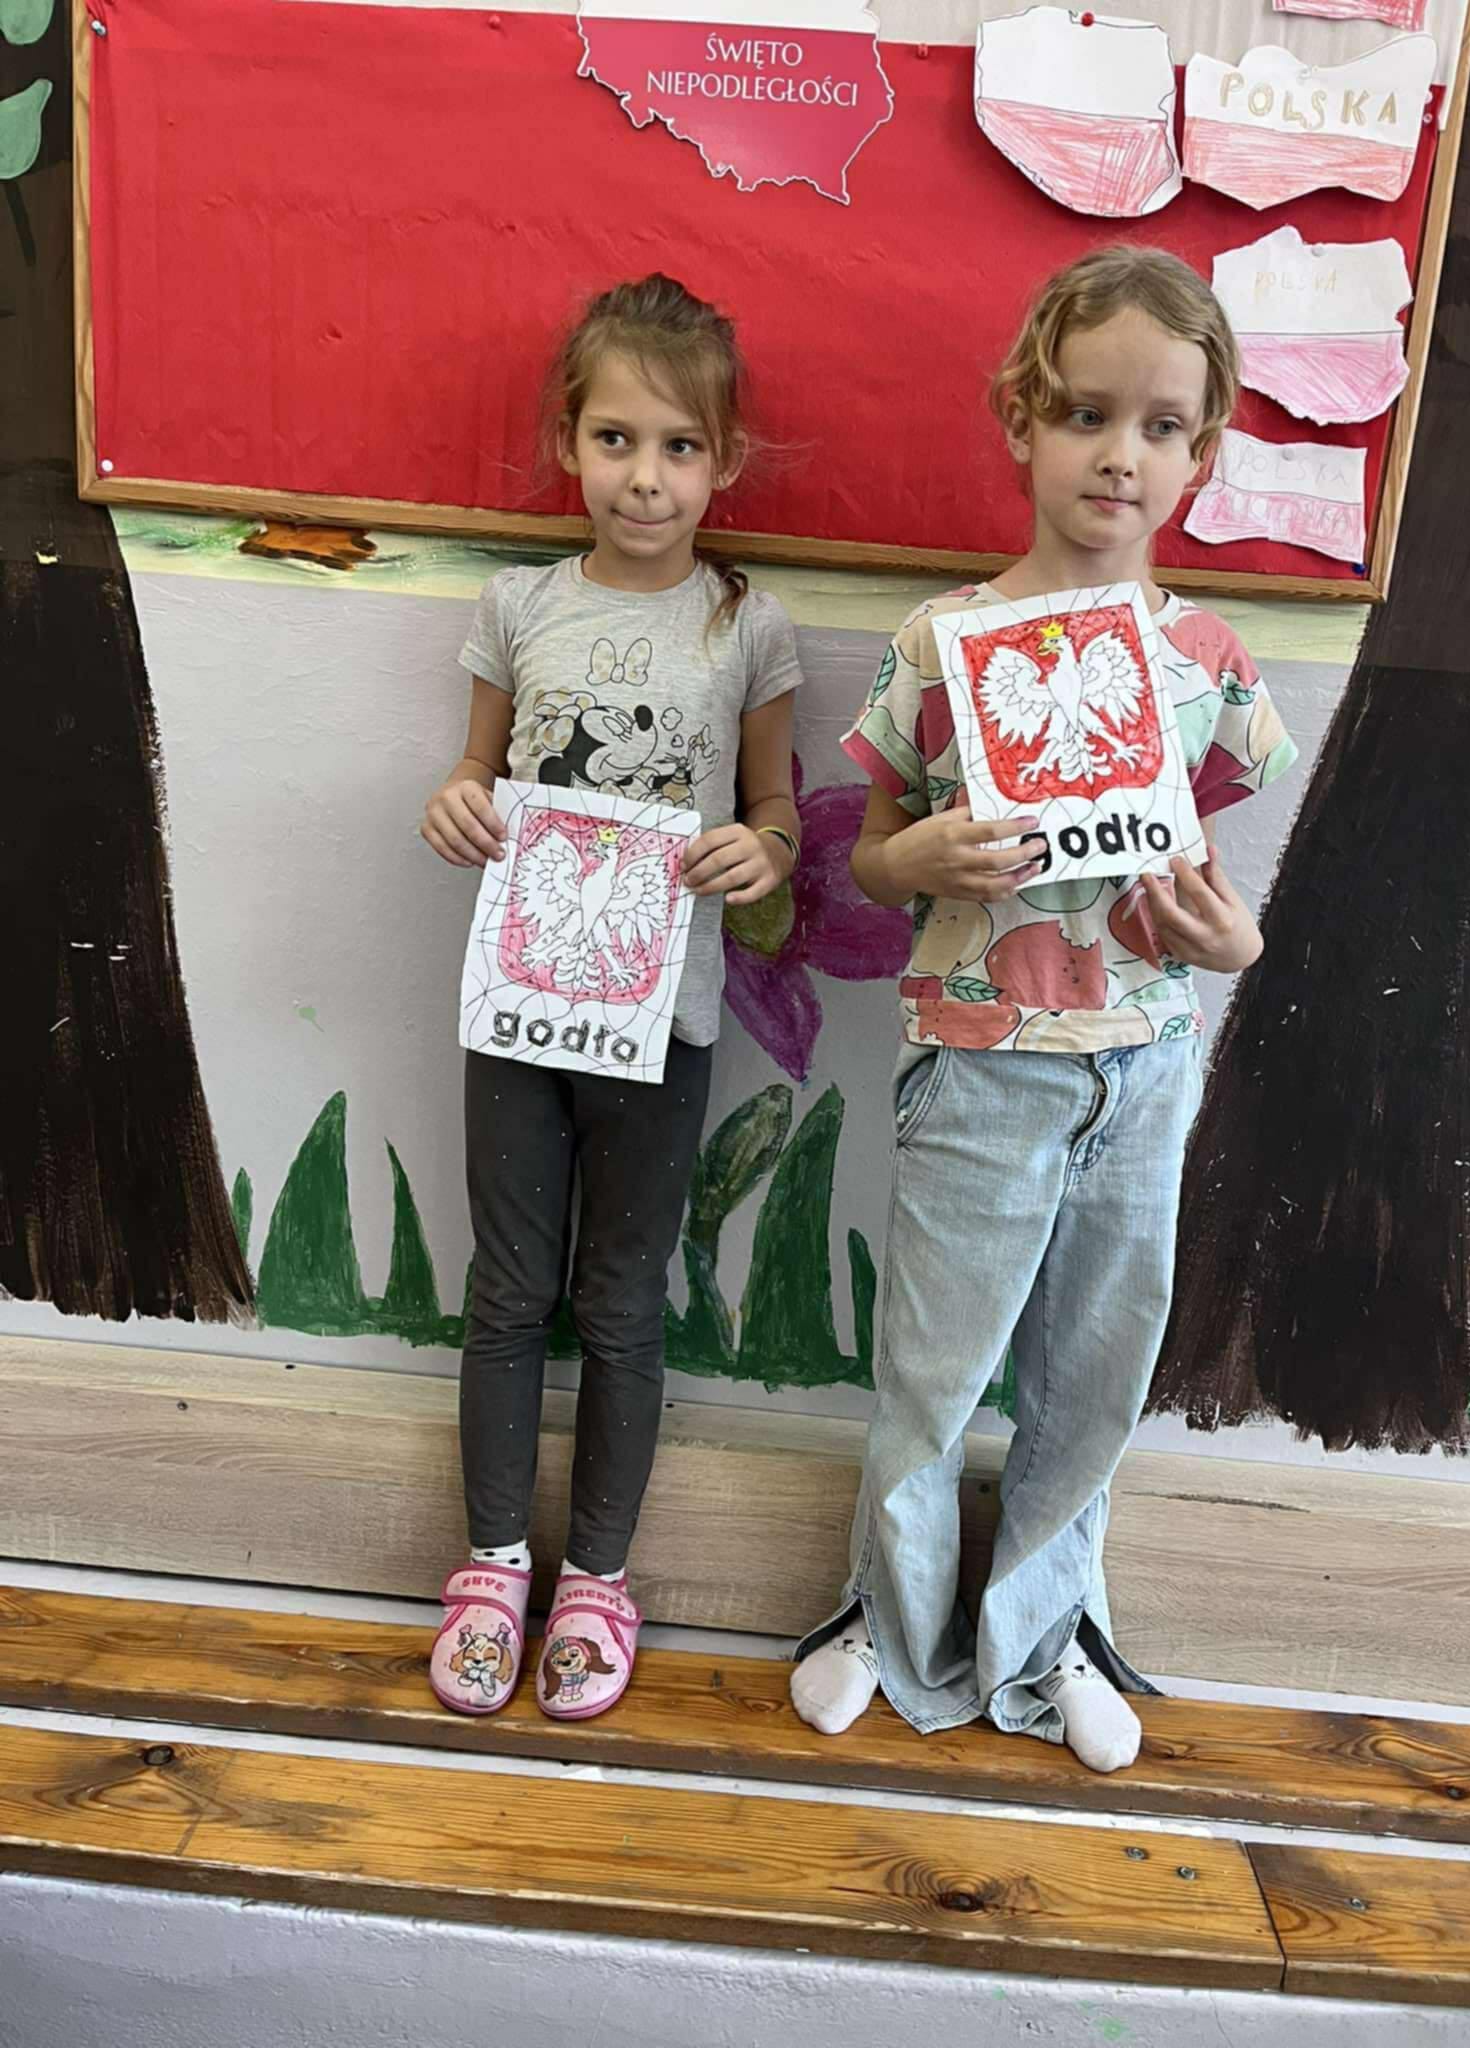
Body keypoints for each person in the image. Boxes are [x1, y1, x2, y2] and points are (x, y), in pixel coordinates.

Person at [790, 247, 1297, 1772]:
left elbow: (1214, 887)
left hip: (1140, 1066)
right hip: (978, 1062)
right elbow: (873, 856)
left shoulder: (1206, 662)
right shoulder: (942, 642)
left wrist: (1238, 943)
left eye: (1160, 426)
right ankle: (887, 1621)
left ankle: (1047, 1633)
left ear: (1202, 456)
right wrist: (920, 856)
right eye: (1086, 414)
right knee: (933, 1372)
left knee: (1093, 1376)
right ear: (1022, 421)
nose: (1119, 455)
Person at [421, 275, 802, 1721]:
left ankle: (596, 1579)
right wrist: (457, 803)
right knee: (508, 1290)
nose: (646, 477)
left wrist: (759, 851)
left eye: (681, 447)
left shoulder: (748, 626)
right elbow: (478, 772)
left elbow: (775, 815)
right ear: (566, 442)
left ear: (725, 460)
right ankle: (491, 1565)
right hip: (518, 1010)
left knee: (624, 1301)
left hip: (665, 1021)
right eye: (617, 440)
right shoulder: (518, 606)